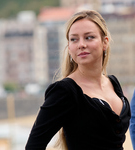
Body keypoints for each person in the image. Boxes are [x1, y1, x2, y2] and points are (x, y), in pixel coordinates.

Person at [25, 10, 131, 150]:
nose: (81, 44)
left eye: (89, 37)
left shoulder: (113, 83)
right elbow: (34, 145)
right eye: (74, 39)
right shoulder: (65, 91)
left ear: (105, 42)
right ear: (69, 48)